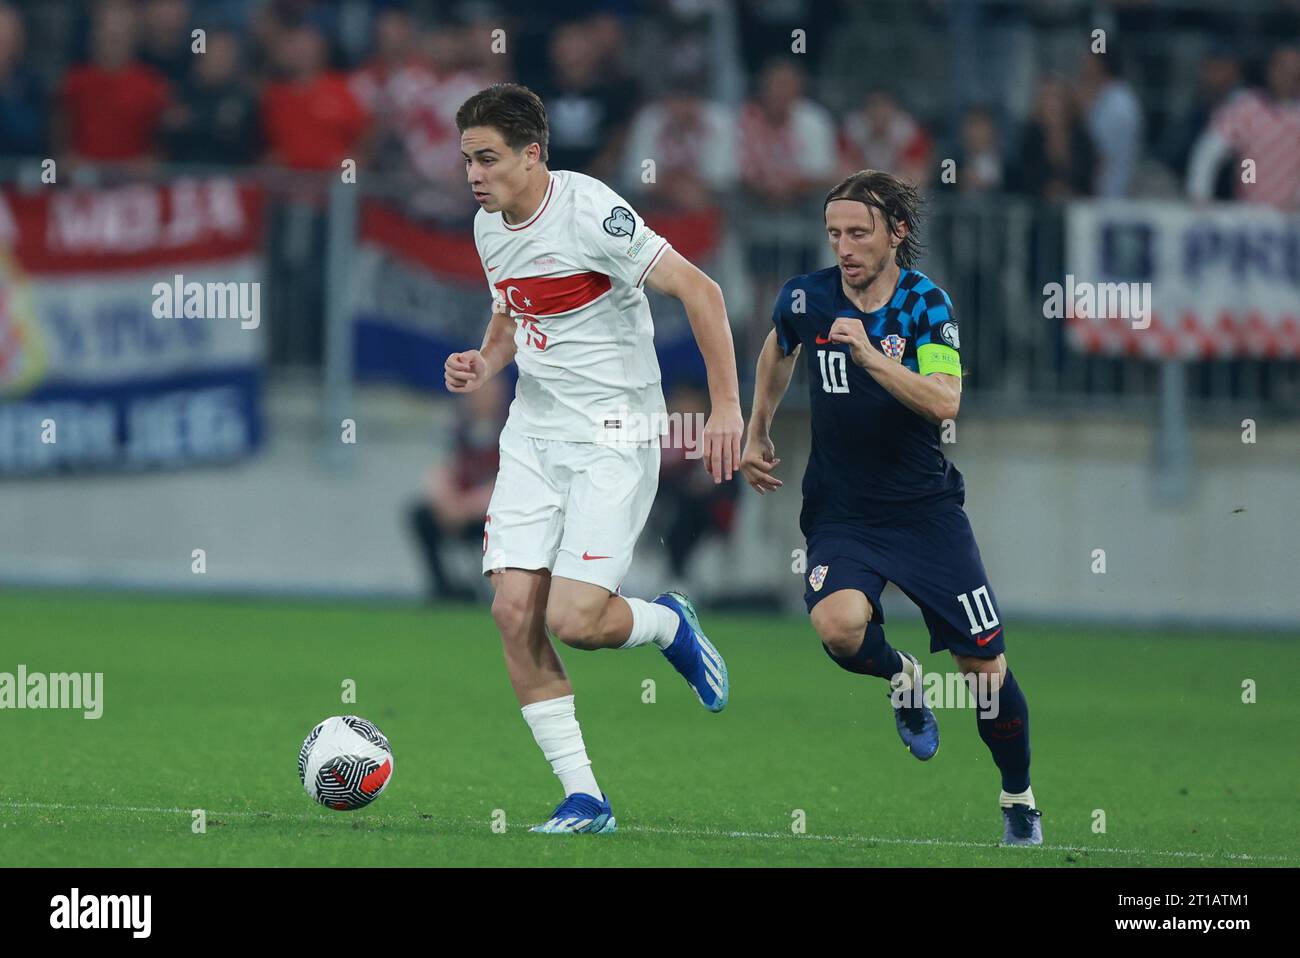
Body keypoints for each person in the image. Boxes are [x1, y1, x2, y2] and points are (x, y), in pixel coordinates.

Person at [444, 83, 743, 834]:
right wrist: (486, 362)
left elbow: (702, 292)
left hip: (615, 432)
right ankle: (586, 798)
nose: (474, 175)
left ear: (532, 155)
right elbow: (512, 310)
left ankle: (666, 625)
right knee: (514, 611)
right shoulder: (490, 227)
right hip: (536, 434)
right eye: (467, 160)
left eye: (487, 159)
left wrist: (728, 409)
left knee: (575, 620)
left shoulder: (592, 213)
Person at [739, 169, 1042, 846]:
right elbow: (776, 351)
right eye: (834, 233)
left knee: (985, 675)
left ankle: (1018, 798)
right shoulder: (805, 297)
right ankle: (904, 677)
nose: (843, 247)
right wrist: (758, 429)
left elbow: (944, 401)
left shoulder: (926, 306)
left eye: (858, 232)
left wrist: (871, 356)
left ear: (896, 233)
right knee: (839, 628)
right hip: (843, 512)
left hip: (924, 514)